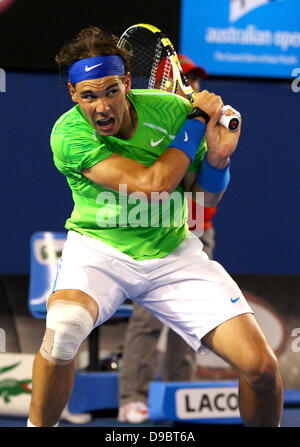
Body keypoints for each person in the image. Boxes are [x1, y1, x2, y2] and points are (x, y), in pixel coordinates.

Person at [27, 27, 283, 427]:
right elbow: (151, 185)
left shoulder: (168, 111)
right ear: (73, 95)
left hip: (173, 252)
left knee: (263, 369)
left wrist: (218, 159)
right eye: (88, 95)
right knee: (63, 331)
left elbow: (204, 200)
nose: (101, 106)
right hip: (99, 252)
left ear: (127, 83)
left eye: (111, 90)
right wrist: (197, 118)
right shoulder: (69, 134)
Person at [118, 54, 218, 424]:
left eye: (194, 79)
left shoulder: (203, 119)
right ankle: (132, 397)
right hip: (157, 231)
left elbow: (210, 183)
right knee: (147, 320)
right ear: (166, 81)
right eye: (185, 78)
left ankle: (181, 395)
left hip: (199, 228)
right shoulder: (149, 122)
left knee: (194, 322)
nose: (193, 85)